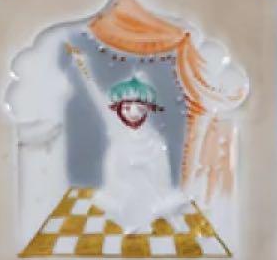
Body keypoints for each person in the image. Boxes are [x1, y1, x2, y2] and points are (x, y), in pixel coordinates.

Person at [67, 44, 187, 232]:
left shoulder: (154, 139)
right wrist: (83, 68)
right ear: (119, 108)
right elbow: (96, 94)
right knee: (127, 198)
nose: (134, 113)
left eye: (140, 107)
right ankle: (131, 220)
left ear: (147, 108)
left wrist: (148, 167)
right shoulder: (116, 125)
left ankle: (152, 217)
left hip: (149, 191)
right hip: (123, 184)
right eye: (127, 107)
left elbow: (160, 173)